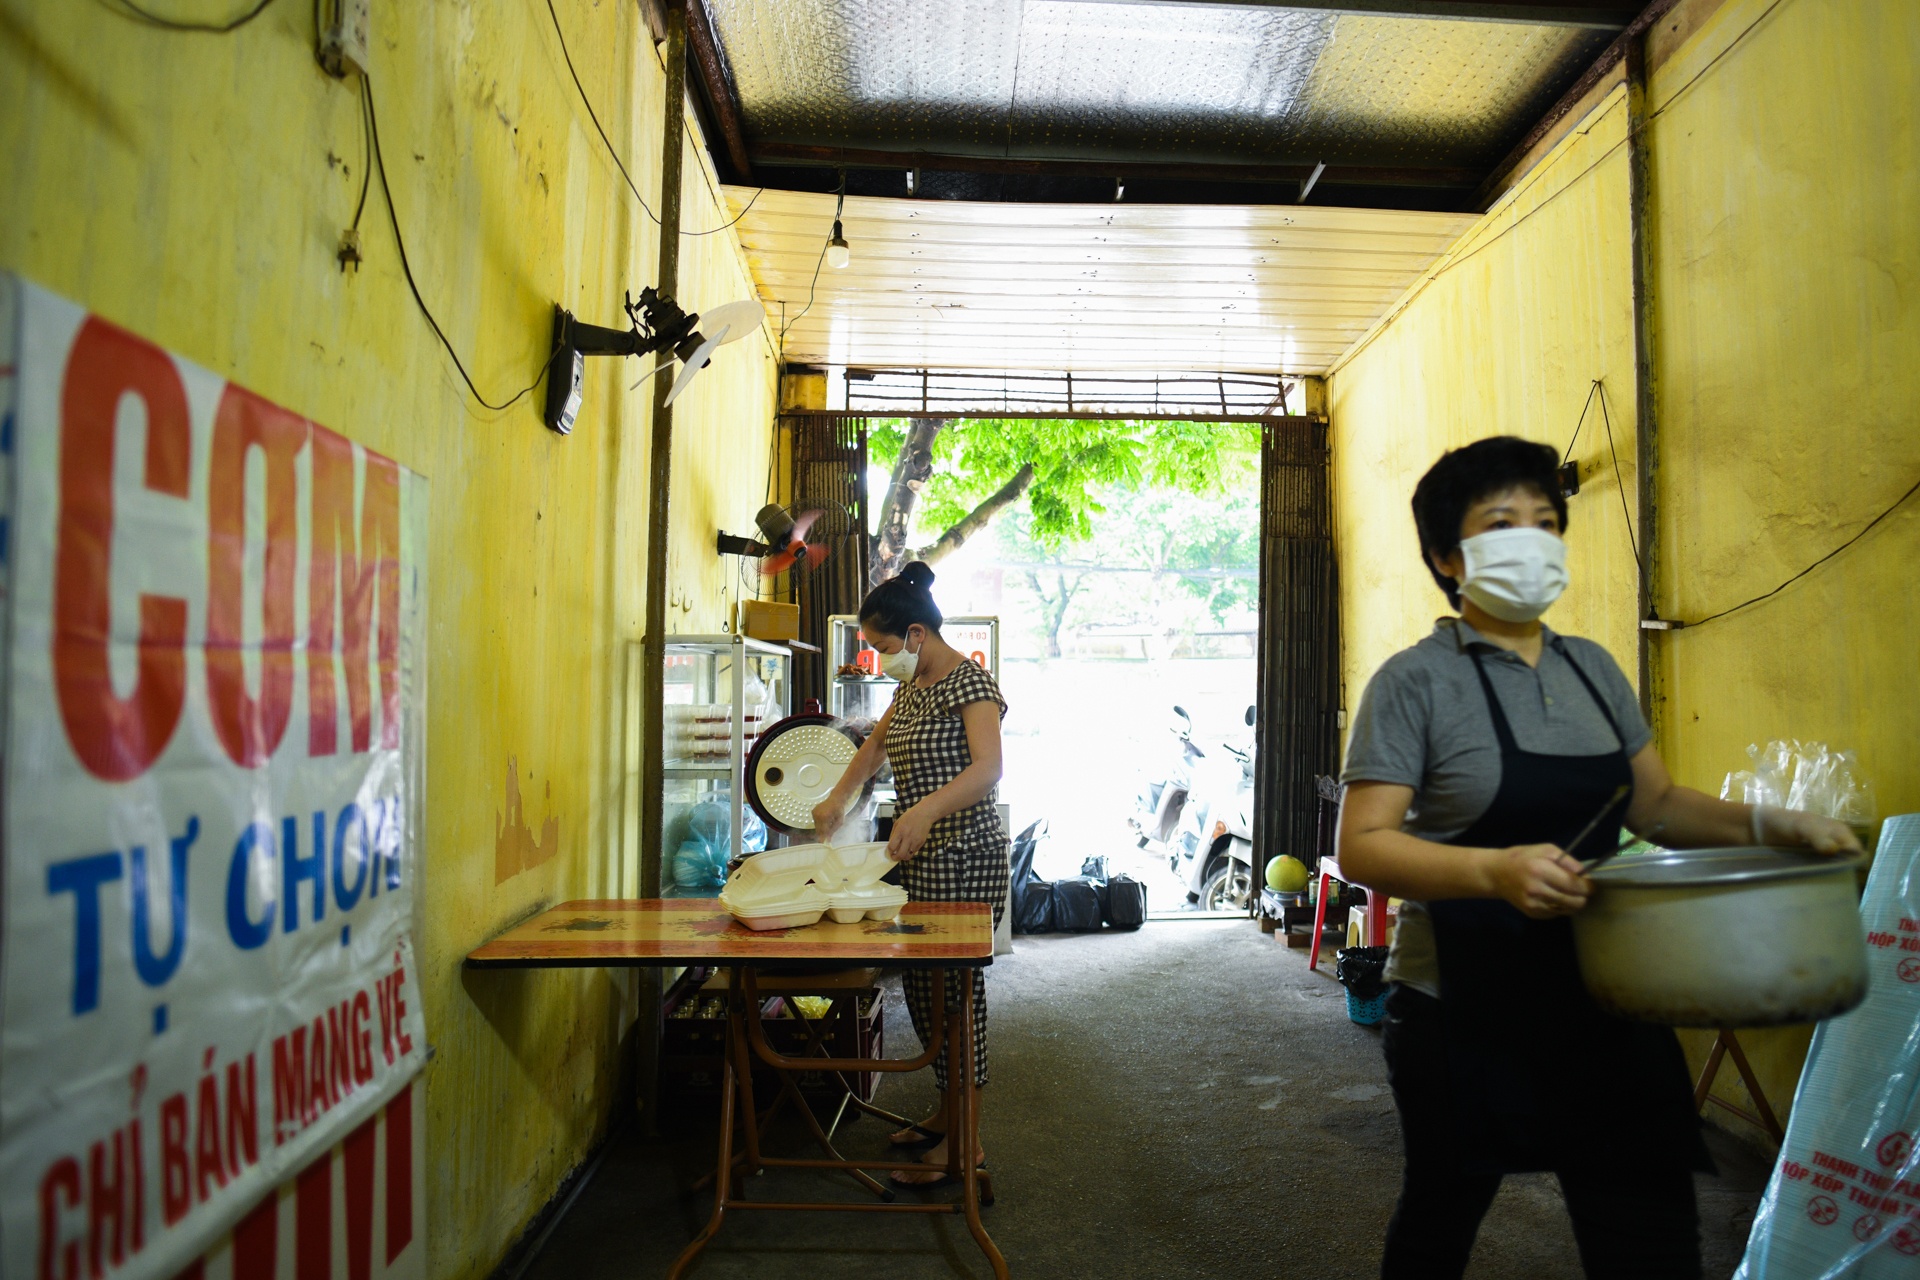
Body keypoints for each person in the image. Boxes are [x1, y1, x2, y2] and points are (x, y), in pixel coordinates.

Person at [1336, 437, 1859, 1279]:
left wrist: (1776, 826)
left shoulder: (1594, 671)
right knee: (1442, 1217)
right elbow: (1363, 845)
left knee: (1649, 1229)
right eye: (1502, 522)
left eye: (1547, 522)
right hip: (1463, 1007)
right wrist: (1492, 872)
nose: (1533, 541)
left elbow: (1655, 806)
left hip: (1613, 991)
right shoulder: (1415, 683)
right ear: (1446, 556)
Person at [812, 561, 1009, 1189]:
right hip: (922, 855)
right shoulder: (911, 689)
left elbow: (988, 769)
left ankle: (967, 1146)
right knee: (926, 993)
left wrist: (923, 809)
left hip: (965, 856)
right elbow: (873, 750)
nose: (877, 657)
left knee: (955, 996)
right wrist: (837, 797)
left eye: (883, 646)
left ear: (917, 634)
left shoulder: (969, 684)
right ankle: (947, 1115)